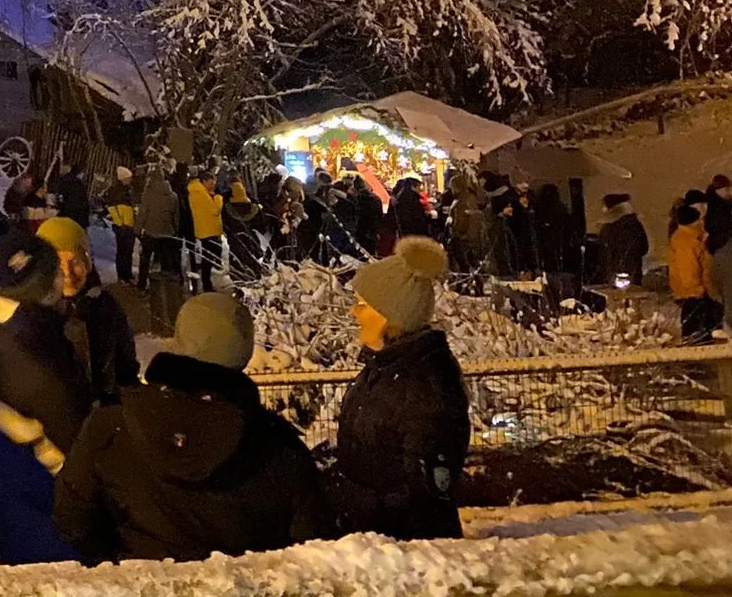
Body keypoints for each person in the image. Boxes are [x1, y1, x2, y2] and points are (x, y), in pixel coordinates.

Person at [54, 293, 332, 564]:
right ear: (246, 350)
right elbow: (311, 544)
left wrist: (127, 559)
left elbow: (73, 518)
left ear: (179, 338)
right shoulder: (278, 447)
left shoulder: (111, 426)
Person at [329, 236, 470, 538]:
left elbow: (421, 494)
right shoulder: (384, 368)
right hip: (373, 545)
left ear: (392, 315)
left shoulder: (426, 384)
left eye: (363, 305)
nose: (355, 312)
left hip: (409, 557)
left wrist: (351, 500)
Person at [0, 233, 91, 565]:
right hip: (55, 535)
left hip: (22, 527)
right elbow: (72, 444)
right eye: (54, 273)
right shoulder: (26, 349)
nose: (63, 278)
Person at [37, 216, 139, 399]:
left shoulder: (107, 308)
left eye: (75, 262)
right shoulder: (30, 317)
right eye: (57, 264)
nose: (68, 274)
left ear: (87, 263)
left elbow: (127, 371)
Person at [671, 203, 720, 343]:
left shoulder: (691, 239)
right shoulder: (687, 243)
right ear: (693, 222)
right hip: (695, 297)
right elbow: (689, 271)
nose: (702, 222)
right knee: (698, 338)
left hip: (697, 294)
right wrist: (699, 292)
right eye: (700, 220)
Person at [138, 166, 181, 289]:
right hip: (167, 233)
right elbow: (176, 216)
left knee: (145, 259)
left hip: (150, 232)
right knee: (166, 261)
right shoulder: (173, 196)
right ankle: (164, 287)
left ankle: (142, 285)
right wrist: (175, 230)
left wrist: (137, 229)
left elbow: (142, 213)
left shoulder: (148, 194)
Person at [597, 192, 649, 286]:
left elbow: (603, 253)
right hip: (633, 273)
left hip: (614, 275)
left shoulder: (608, 228)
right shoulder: (634, 224)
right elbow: (644, 248)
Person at [187, 169, 226, 292]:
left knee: (207, 257)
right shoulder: (200, 193)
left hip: (206, 229)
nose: (213, 185)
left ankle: (206, 283)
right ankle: (207, 285)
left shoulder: (198, 191)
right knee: (207, 259)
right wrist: (219, 198)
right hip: (208, 230)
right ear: (204, 182)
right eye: (211, 182)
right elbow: (214, 211)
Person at [106, 168, 138, 285]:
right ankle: (123, 276)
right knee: (123, 251)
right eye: (128, 178)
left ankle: (126, 275)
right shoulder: (118, 192)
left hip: (127, 225)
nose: (130, 180)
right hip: (123, 225)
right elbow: (113, 209)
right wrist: (121, 223)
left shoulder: (126, 190)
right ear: (123, 179)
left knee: (126, 251)